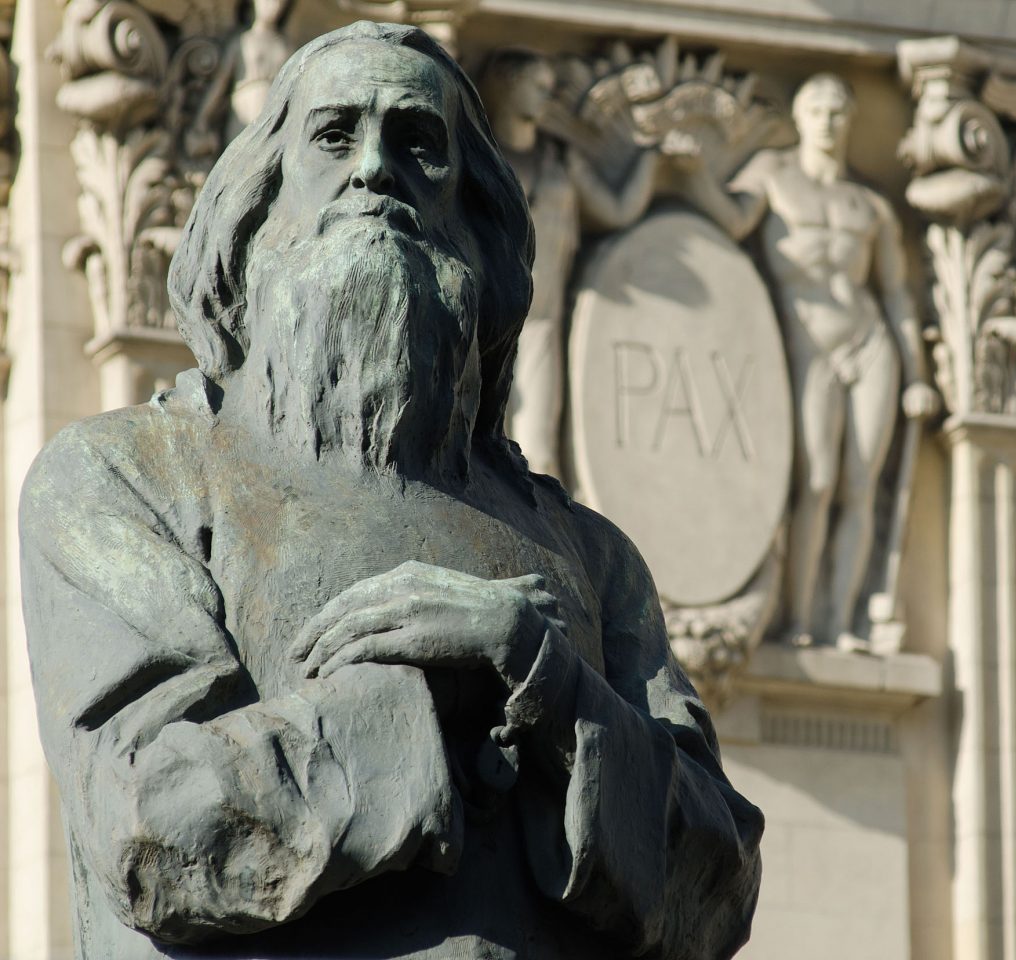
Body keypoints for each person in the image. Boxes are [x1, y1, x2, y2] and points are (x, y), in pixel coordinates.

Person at [21, 22, 761, 960]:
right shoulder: (127, 480)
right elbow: (153, 820)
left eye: (419, 144)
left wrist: (545, 677)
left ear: (473, 216)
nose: (376, 169)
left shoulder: (589, 554)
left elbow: (720, 879)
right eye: (334, 136)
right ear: (261, 198)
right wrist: (435, 692)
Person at [675, 73, 939, 648]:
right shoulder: (774, 174)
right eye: (818, 109)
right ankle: (797, 622)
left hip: (869, 342)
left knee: (860, 486)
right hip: (806, 340)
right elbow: (734, 219)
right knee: (816, 482)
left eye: (839, 111)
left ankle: (839, 622)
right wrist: (693, 174)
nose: (829, 121)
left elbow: (895, 292)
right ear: (800, 118)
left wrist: (918, 376)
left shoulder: (868, 204)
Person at [476, 49, 661, 479]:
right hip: (485, 321)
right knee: (479, 444)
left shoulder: (561, 160)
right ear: (506, 84)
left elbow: (616, 210)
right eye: (536, 84)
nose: (548, 93)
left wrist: (651, 156)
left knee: (538, 450)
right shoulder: (479, 158)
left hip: (542, 321)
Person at [186, 0, 293, 158]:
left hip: (275, 116)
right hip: (245, 111)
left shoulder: (286, 46)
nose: (273, 6)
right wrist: (202, 117)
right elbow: (220, 83)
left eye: (279, 2)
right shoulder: (243, 41)